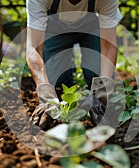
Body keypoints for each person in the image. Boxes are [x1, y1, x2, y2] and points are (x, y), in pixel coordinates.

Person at [26, 0, 122, 129]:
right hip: (55, 30)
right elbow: (34, 48)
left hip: (92, 28)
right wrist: (46, 96)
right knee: (56, 79)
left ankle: (94, 98)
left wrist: (103, 91)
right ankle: (67, 81)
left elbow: (108, 46)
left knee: (96, 73)